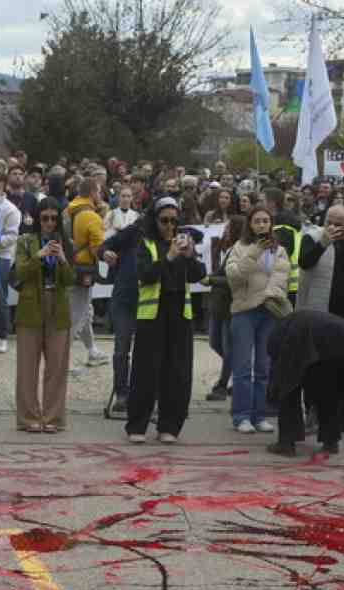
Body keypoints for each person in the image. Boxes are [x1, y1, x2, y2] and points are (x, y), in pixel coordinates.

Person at [125, 197, 206, 443]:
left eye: (174, 221)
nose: (170, 226)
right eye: (164, 220)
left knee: (178, 372)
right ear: (155, 220)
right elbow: (145, 274)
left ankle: (169, 426)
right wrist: (168, 257)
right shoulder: (145, 243)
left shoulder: (184, 242)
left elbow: (199, 275)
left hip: (180, 313)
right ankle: (137, 426)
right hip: (152, 315)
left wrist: (190, 256)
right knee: (146, 371)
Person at [297, 204, 344, 436]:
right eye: (330, 222)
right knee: (315, 364)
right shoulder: (312, 237)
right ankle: (313, 413)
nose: (334, 227)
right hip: (319, 312)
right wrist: (324, 242)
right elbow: (304, 262)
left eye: (339, 224)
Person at [226, 206, 291, 434]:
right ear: (250, 224)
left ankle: (259, 415)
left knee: (264, 367)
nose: (262, 225)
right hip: (244, 311)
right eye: (257, 221)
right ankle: (241, 416)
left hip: (268, 311)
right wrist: (255, 251)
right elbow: (234, 276)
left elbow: (282, 277)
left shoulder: (279, 250)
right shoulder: (240, 247)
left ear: (271, 224)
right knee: (243, 367)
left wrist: (268, 296)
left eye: (265, 221)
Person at [14, 197, 76, 432]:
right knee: (27, 367)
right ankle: (28, 417)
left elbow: (71, 280)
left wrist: (62, 260)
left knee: (57, 367)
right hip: (30, 306)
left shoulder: (66, 243)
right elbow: (19, 273)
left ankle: (53, 418)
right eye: (45, 218)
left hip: (58, 307)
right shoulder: (25, 241)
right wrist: (38, 256)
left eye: (54, 218)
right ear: (37, 219)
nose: (49, 223)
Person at [266, 310, 344, 456]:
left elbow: (282, 379)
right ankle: (331, 442)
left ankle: (286, 443)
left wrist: (275, 391)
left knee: (288, 388)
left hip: (310, 331)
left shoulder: (277, 338)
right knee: (330, 388)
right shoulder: (286, 326)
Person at [65, 177, 110, 368]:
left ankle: (92, 351)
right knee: (77, 316)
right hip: (82, 271)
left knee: (85, 312)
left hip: (66, 266)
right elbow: (97, 250)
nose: (100, 195)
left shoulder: (68, 209)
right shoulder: (92, 217)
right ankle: (61, 360)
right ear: (92, 193)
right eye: (98, 191)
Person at [205, 215, 245, 401]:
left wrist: (211, 280)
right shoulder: (226, 249)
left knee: (228, 348)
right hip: (218, 304)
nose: (225, 230)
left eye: (229, 228)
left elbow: (233, 279)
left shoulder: (240, 251)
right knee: (215, 343)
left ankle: (222, 384)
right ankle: (240, 372)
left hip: (231, 305)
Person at [0, 170, 22, 354]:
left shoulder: (11, 209)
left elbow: (11, 236)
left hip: (0, 257)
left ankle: (2, 335)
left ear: (1, 184)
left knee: (0, 295)